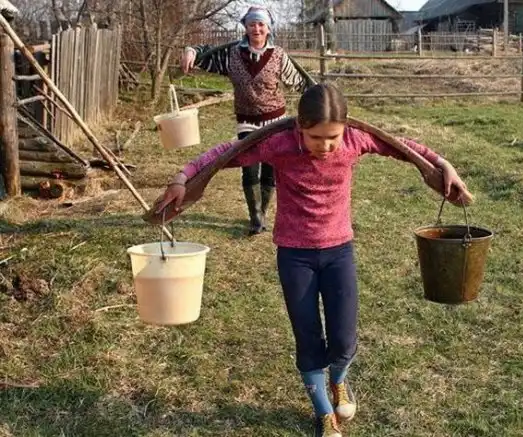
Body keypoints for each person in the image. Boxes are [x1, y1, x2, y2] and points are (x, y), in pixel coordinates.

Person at [156, 83, 472, 437]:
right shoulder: (279, 143)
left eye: (332, 137)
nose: (325, 145)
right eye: (315, 137)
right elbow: (227, 153)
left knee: (343, 339)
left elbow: (402, 146)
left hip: (339, 253)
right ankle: (323, 412)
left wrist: (442, 164)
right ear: (299, 127)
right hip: (295, 257)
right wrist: (183, 178)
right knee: (307, 337)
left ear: (346, 128)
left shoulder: (355, 140)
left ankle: (338, 380)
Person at [178, 6, 308, 235]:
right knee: (249, 168)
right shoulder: (232, 54)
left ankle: (262, 212)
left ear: (268, 28)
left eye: (261, 24)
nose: (256, 29)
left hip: (275, 121)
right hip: (247, 121)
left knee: (270, 170)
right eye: (252, 24)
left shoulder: (279, 56)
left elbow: (300, 82)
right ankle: (255, 218)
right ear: (245, 27)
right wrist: (191, 51)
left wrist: (319, 99)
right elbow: (204, 55)